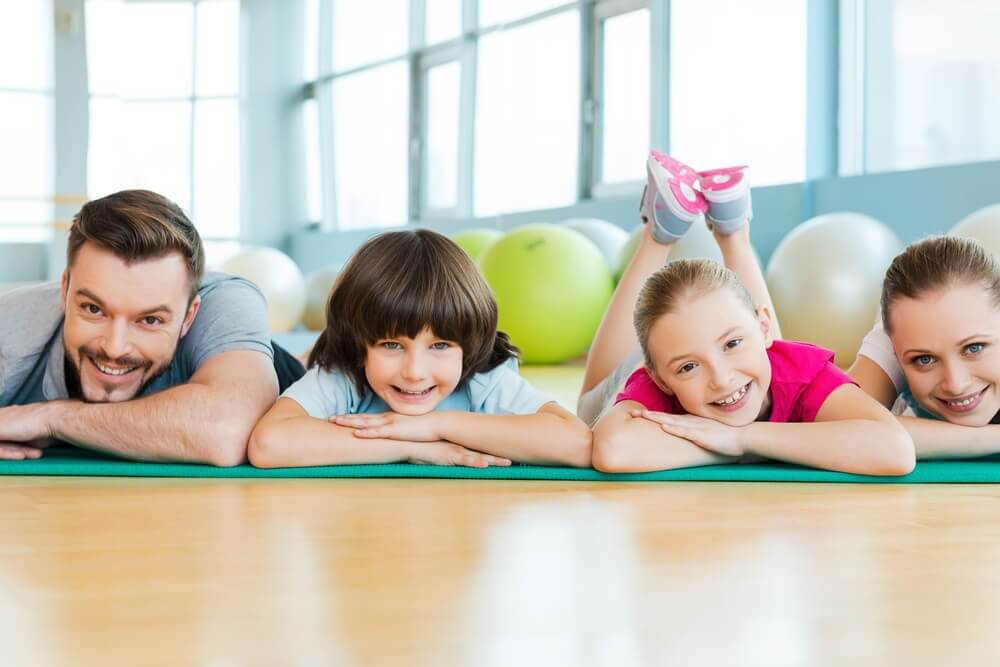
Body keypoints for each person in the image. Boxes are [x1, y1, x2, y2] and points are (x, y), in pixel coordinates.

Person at [584, 151, 914, 475]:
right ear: (661, 380)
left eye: (730, 345)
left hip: (729, 342)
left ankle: (731, 232)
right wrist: (738, 447)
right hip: (647, 360)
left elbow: (895, 449)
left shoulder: (803, 372)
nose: (721, 379)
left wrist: (741, 438)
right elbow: (613, 448)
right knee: (588, 409)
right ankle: (660, 236)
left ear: (765, 326)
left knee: (764, 354)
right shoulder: (652, 383)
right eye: (689, 367)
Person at [0, 190, 304, 465]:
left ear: (188, 316)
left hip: (271, 367)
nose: (115, 347)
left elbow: (227, 431)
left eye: (149, 320)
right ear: (64, 290)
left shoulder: (226, 301)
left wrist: (50, 417)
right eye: (94, 310)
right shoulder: (11, 330)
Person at [248, 229, 592, 469]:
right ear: (360, 344)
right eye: (392, 344)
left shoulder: (482, 376)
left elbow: (577, 443)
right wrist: (409, 446)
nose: (415, 372)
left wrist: (433, 426)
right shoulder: (345, 373)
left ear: (467, 347)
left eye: (440, 345)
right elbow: (269, 443)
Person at [849, 235, 1000, 457]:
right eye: (925, 360)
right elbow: (841, 426)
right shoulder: (905, 331)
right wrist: (989, 438)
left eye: (974, 348)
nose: (956, 385)